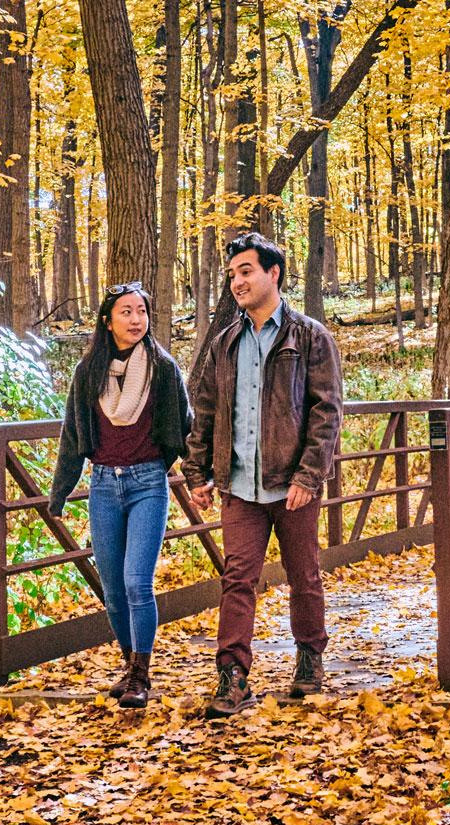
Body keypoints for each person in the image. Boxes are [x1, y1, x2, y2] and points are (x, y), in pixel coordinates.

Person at [184, 232, 344, 718]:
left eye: (246, 271)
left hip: (292, 484)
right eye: (232, 274)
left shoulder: (310, 336)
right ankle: (232, 678)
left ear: (273, 274)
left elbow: (328, 411)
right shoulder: (226, 342)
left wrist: (309, 476)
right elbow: (205, 411)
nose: (237, 281)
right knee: (237, 580)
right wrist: (196, 473)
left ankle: (310, 660)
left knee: (303, 575)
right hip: (239, 486)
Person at [48, 282, 192, 708]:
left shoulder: (163, 368)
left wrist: (202, 476)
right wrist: (59, 494)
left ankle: (141, 676)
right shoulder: (88, 372)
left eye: (141, 312)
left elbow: (185, 428)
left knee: (136, 582)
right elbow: (72, 436)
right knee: (111, 588)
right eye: (126, 312)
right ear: (108, 321)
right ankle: (130, 666)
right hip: (104, 485)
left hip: (149, 482)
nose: (135, 320)